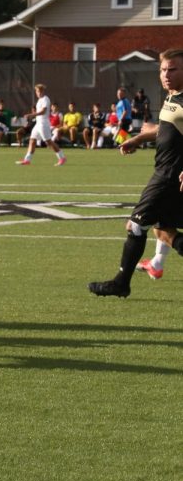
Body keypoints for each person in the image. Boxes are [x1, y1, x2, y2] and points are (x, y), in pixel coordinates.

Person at [89, 48, 183, 298]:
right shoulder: (173, 97)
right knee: (164, 231)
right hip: (167, 174)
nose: (166, 74)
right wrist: (139, 138)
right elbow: (166, 128)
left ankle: (121, 282)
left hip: (168, 177)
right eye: (163, 70)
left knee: (136, 225)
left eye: (172, 69)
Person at [16, 84, 66, 166]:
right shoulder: (39, 100)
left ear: (42, 91)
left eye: (39, 91)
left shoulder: (46, 99)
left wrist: (31, 115)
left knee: (49, 142)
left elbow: (43, 111)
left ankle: (62, 158)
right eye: (36, 91)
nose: (37, 93)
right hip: (38, 124)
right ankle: (27, 160)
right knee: (32, 140)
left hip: (44, 123)